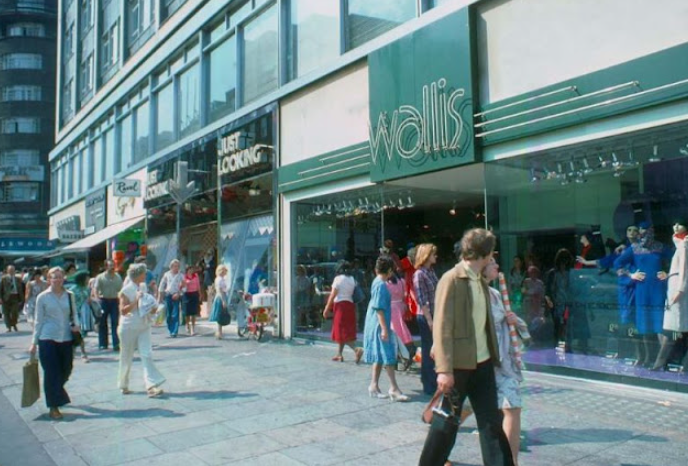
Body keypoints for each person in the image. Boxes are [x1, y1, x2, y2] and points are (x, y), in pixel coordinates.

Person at [419, 228, 513, 466]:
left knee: (491, 422)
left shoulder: (480, 281)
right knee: (446, 423)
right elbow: (441, 326)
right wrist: (444, 370)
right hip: (458, 366)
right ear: (485, 253)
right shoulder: (451, 279)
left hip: (483, 364)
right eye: (492, 253)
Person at [484, 259, 526, 466]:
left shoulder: (496, 295)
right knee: (460, 410)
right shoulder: (473, 294)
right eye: (491, 262)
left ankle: (512, 462)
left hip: (503, 364)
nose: (496, 265)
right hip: (480, 365)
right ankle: (440, 440)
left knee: (512, 408)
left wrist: (511, 319)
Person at [28, 267, 80, 420]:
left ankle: (57, 391)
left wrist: (77, 326)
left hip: (66, 337)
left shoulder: (70, 295)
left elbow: (74, 312)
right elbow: (39, 321)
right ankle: (53, 406)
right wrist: (34, 342)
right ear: (49, 279)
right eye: (54, 277)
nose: (57, 280)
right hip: (47, 337)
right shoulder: (42, 297)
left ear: (64, 278)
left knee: (66, 369)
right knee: (51, 373)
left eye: (60, 276)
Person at [363, 256, 410, 402]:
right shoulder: (381, 285)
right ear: (389, 270)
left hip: (375, 323)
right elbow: (380, 309)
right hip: (379, 324)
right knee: (388, 354)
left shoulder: (377, 282)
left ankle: (374, 386)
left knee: (380, 355)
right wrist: (384, 329)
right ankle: (393, 388)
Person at [117, 264, 165, 397]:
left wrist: (153, 308)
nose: (145, 275)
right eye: (144, 273)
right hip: (128, 327)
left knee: (147, 354)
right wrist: (135, 301)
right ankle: (123, 384)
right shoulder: (126, 290)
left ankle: (151, 385)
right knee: (126, 356)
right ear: (138, 275)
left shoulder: (143, 287)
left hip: (144, 325)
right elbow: (122, 310)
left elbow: (146, 304)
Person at [652, 221, 688, 371]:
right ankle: (665, 363)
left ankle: (660, 363)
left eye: (679, 224)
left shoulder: (685, 244)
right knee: (672, 328)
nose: (675, 226)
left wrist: (680, 289)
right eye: (674, 224)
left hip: (679, 290)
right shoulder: (680, 243)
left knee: (671, 329)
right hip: (674, 287)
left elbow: (685, 269)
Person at [322, 261, 363, 363]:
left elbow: (333, 295)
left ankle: (356, 349)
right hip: (350, 306)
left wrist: (327, 308)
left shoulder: (338, 279)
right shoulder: (352, 279)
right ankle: (339, 354)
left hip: (340, 306)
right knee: (345, 331)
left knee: (340, 331)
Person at [413, 243, 439, 395]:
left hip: (435, 313)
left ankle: (433, 381)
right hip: (426, 316)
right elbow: (422, 300)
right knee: (429, 349)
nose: (435, 256)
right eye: (433, 253)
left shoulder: (431, 271)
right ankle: (428, 384)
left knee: (434, 350)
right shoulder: (419, 274)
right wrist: (430, 320)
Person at [385, 269, 415, 370]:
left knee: (393, 334)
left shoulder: (385, 283)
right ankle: (406, 354)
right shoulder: (401, 281)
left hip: (391, 308)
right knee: (403, 330)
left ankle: (396, 359)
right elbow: (405, 295)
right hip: (401, 306)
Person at [94, 259, 123, 351]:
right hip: (104, 301)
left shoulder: (118, 277)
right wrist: (97, 298)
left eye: (113, 265)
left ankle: (116, 344)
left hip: (115, 301)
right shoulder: (100, 277)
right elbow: (95, 289)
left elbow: (121, 290)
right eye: (110, 265)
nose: (112, 267)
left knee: (115, 322)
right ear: (106, 266)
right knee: (102, 323)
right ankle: (103, 344)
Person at [157, 259, 185, 338]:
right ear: (171, 267)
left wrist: (179, 294)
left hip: (176, 295)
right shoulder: (166, 274)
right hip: (168, 295)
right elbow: (162, 285)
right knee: (168, 314)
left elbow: (184, 287)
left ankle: (174, 331)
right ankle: (170, 328)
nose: (176, 268)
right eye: (174, 266)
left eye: (177, 266)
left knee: (175, 314)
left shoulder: (181, 275)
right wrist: (160, 296)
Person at [70, 271, 93, 362]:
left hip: (84, 314)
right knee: (77, 334)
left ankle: (75, 352)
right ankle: (82, 353)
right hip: (75, 314)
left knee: (82, 334)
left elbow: (88, 299)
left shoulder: (87, 289)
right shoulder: (73, 290)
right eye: (87, 278)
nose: (88, 279)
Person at [209, 264, 230, 339]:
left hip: (222, 296)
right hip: (220, 297)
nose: (224, 272)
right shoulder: (219, 279)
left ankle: (219, 332)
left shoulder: (222, 279)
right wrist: (223, 300)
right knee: (220, 314)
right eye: (223, 270)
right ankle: (219, 332)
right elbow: (220, 290)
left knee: (221, 315)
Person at [1, 265, 25, 332]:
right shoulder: (4, 278)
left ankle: (14, 324)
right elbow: (1, 288)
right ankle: (8, 327)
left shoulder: (18, 278)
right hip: (6, 297)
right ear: (7, 270)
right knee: (6, 313)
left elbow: (22, 288)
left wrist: (22, 297)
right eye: (10, 270)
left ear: (14, 270)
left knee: (15, 312)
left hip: (15, 296)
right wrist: (0, 298)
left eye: (13, 270)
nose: (11, 271)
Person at [183, 265, 201, 336]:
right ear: (187, 271)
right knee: (187, 312)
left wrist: (200, 294)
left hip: (194, 294)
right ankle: (187, 324)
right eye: (189, 270)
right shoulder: (184, 277)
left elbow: (198, 285)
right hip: (187, 294)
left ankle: (193, 327)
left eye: (191, 269)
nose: (190, 271)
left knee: (194, 312)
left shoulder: (195, 276)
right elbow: (181, 285)